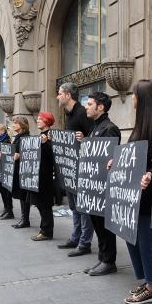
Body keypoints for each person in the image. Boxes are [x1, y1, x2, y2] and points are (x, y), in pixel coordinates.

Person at [120, 79, 152, 304]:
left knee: (148, 238)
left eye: (135, 94)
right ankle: (151, 279)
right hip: (135, 192)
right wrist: (116, 163)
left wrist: (151, 173)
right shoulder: (141, 125)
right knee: (136, 236)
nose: (132, 99)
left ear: (143, 98)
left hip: (149, 192)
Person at [80, 91, 121, 276]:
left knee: (104, 225)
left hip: (103, 187)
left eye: (89, 104)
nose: (86, 107)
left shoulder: (109, 128)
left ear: (101, 107)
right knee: (97, 223)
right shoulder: (95, 127)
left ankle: (109, 261)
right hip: (93, 188)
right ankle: (102, 258)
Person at [54, 82, 95, 257]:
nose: (57, 96)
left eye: (60, 93)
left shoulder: (81, 113)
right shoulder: (69, 114)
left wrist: (85, 138)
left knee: (83, 207)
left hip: (81, 169)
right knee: (74, 206)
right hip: (70, 169)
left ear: (68, 95)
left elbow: (95, 138)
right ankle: (76, 237)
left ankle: (85, 242)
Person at [28, 111, 55, 241]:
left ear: (47, 121)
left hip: (45, 176)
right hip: (38, 175)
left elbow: (52, 156)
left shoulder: (50, 136)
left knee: (44, 205)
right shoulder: (41, 135)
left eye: (40, 119)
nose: (38, 121)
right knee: (40, 204)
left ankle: (46, 231)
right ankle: (44, 229)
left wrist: (45, 144)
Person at [11, 116, 31, 229]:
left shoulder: (26, 137)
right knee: (21, 195)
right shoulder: (18, 137)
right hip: (18, 168)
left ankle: (25, 219)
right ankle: (24, 218)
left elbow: (30, 154)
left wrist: (20, 156)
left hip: (23, 170)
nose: (13, 125)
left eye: (15, 123)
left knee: (24, 195)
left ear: (22, 125)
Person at [0, 124, 14, 220]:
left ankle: (9, 211)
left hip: (6, 169)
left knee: (6, 191)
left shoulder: (6, 140)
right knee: (2, 190)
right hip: (0, 168)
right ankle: (6, 209)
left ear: (2, 131)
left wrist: (0, 154)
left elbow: (8, 155)